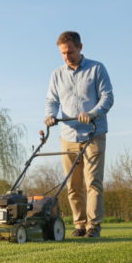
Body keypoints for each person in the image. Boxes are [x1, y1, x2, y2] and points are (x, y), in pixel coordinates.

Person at [44, 31, 113, 238]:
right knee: (72, 185)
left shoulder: (96, 69)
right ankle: (80, 225)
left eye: (70, 52)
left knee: (92, 182)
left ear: (80, 47)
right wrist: (50, 115)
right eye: (63, 53)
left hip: (93, 132)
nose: (67, 57)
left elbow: (107, 97)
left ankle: (93, 227)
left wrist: (93, 113)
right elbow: (52, 100)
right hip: (68, 135)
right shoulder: (57, 74)